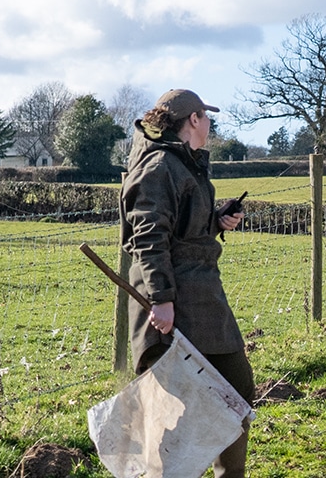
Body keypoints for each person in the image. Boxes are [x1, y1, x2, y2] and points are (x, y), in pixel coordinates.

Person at [122, 89, 252, 477]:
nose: (210, 124)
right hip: (171, 303)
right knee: (176, 412)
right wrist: (161, 299)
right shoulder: (159, 166)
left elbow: (183, 226)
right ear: (193, 120)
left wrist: (216, 218)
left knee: (235, 390)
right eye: (206, 117)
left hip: (203, 299)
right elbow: (148, 236)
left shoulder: (185, 164)